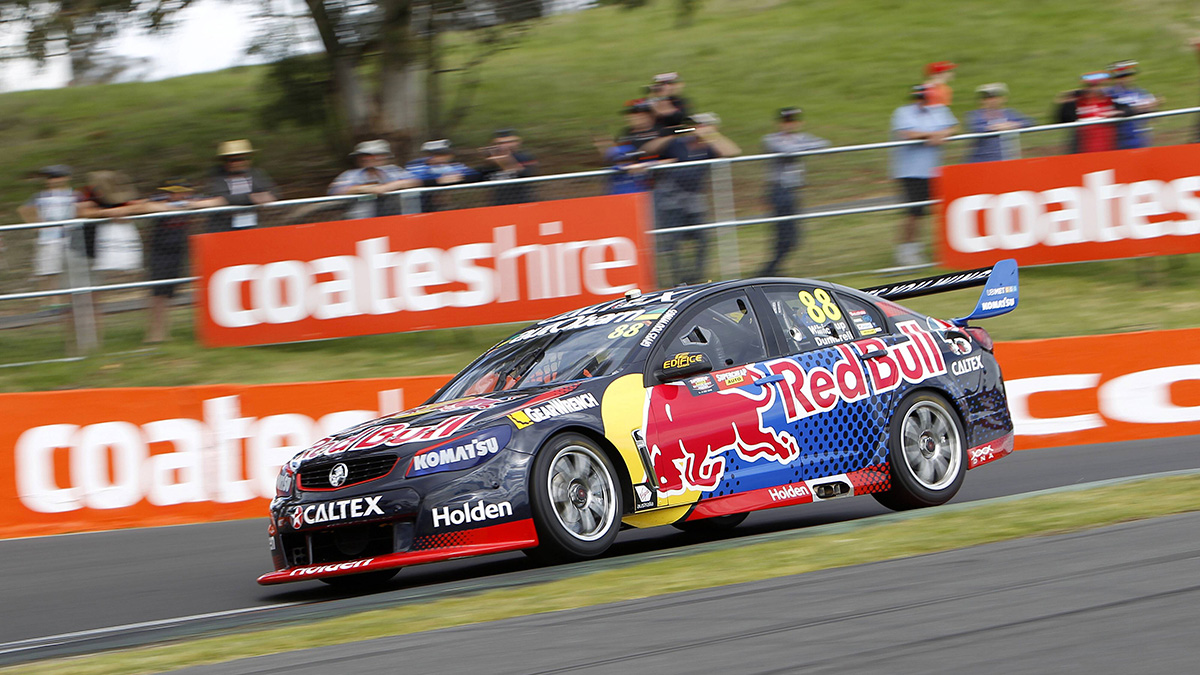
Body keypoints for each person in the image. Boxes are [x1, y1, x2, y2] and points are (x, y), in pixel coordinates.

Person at [653, 112, 740, 286]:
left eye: (701, 125)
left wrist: (711, 135)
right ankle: (677, 281)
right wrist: (672, 134)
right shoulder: (678, 142)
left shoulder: (710, 146)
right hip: (672, 198)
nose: (697, 129)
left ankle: (696, 279)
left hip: (694, 200)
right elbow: (651, 149)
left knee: (703, 238)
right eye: (695, 125)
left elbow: (733, 152)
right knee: (672, 241)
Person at [144, 179, 222, 343]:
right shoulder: (159, 199)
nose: (178, 195)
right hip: (160, 251)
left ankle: (174, 331)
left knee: (178, 290)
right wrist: (173, 207)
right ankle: (155, 333)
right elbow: (146, 206)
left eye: (181, 191)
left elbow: (215, 202)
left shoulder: (192, 199)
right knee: (159, 293)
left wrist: (190, 204)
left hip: (183, 250)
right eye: (174, 192)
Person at [890, 83, 958, 267]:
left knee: (939, 211)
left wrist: (943, 133)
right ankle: (906, 251)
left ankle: (933, 249)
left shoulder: (939, 110)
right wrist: (931, 135)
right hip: (911, 171)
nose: (922, 101)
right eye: (919, 98)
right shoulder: (903, 112)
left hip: (934, 171)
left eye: (925, 98)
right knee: (914, 213)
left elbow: (954, 127)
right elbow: (907, 133)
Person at [758, 107, 830, 276]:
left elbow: (823, 144)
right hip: (779, 190)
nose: (789, 125)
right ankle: (768, 272)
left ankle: (771, 270)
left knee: (794, 237)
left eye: (793, 121)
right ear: (779, 123)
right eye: (786, 121)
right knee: (782, 234)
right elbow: (786, 152)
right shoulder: (770, 139)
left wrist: (799, 145)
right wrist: (802, 146)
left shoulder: (801, 138)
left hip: (794, 191)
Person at [18, 165, 84, 305]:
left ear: (66, 178)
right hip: (49, 238)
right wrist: (36, 225)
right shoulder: (42, 196)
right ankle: (50, 301)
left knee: (71, 268)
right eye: (50, 178)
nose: (53, 180)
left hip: (72, 236)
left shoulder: (75, 194)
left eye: (57, 176)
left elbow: (83, 210)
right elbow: (25, 210)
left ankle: (71, 300)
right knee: (49, 270)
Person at [328, 139, 419, 219]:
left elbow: (414, 181)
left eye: (371, 155)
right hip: (362, 220)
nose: (366, 159)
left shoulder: (393, 171)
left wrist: (389, 187)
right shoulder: (351, 175)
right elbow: (334, 189)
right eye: (363, 156)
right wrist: (368, 189)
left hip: (394, 218)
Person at [206, 139, 278, 231]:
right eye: (232, 160)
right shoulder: (218, 176)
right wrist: (250, 198)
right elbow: (220, 198)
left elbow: (273, 194)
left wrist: (230, 200)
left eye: (242, 159)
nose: (237, 163)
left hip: (251, 224)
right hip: (223, 226)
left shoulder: (256, 174)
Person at [1055, 72, 1127, 154]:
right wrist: (1065, 104)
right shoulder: (1077, 102)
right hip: (1084, 152)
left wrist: (1118, 112)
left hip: (1110, 150)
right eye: (1092, 86)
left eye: (1099, 85)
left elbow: (1129, 109)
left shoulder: (1111, 100)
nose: (1096, 89)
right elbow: (1062, 119)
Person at [965, 83, 1034, 162]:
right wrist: (997, 127)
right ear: (982, 101)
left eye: (995, 97)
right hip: (981, 160)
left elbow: (1029, 121)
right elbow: (976, 127)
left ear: (1003, 99)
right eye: (988, 98)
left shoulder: (1010, 113)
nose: (992, 101)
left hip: (1006, 158)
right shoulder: (975, 114)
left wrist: (1013, 125)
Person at [405, 140, 479, 212]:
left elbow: (474, 175)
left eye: (443, 154)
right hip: (420, 205)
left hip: (446, 204)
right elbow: (414, 181)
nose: (438, 157)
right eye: (434, 154)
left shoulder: (455, 166)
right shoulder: (416, 166)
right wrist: (438, 181)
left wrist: (460, 177)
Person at [1106, 60, 1160, 149]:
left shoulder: (1140, 92)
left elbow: (1153, 112)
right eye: (1120, 77)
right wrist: (1140, 107)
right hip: (1119, 141)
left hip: (1140, 138)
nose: (1125, 79)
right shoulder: (1109, 93)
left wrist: (1156, 104)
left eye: (1127, 76)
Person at [476, 129, 538, 205]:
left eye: (509, 142)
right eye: (500, 143)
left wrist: (506, 162)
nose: (505, 145)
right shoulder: (490, 162)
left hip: (523, 202)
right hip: (498, 204)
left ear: (517, 142)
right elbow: (477, 176)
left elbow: (527, 174)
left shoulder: (525, 157)